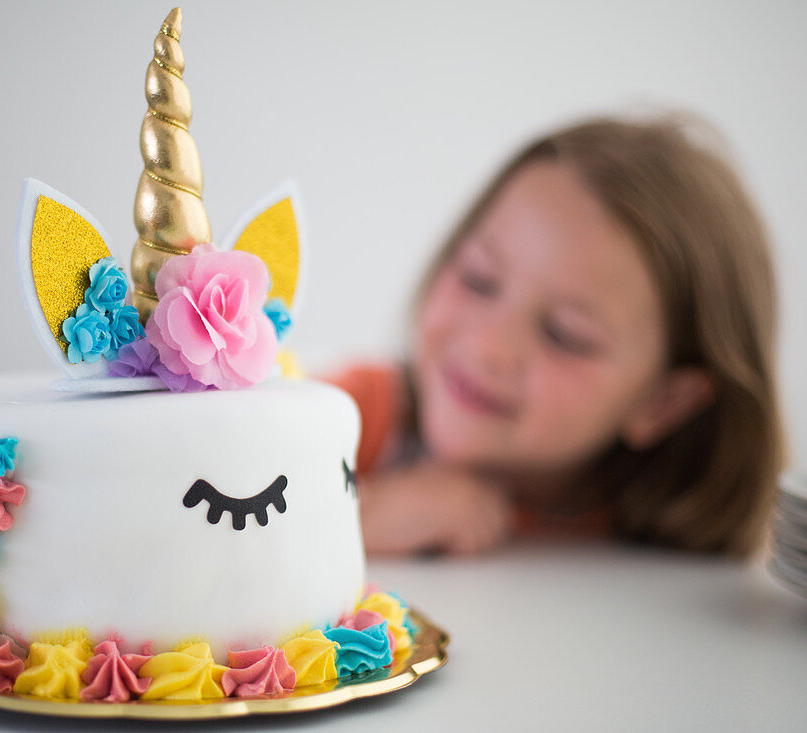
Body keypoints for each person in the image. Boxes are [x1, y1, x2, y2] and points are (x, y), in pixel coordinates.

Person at [333, 117, 785, 558]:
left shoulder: (663, 536)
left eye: (565, 336)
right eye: (478, 278)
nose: (490, 346)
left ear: (663, 402)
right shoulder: (344, 416)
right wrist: (361, 519)